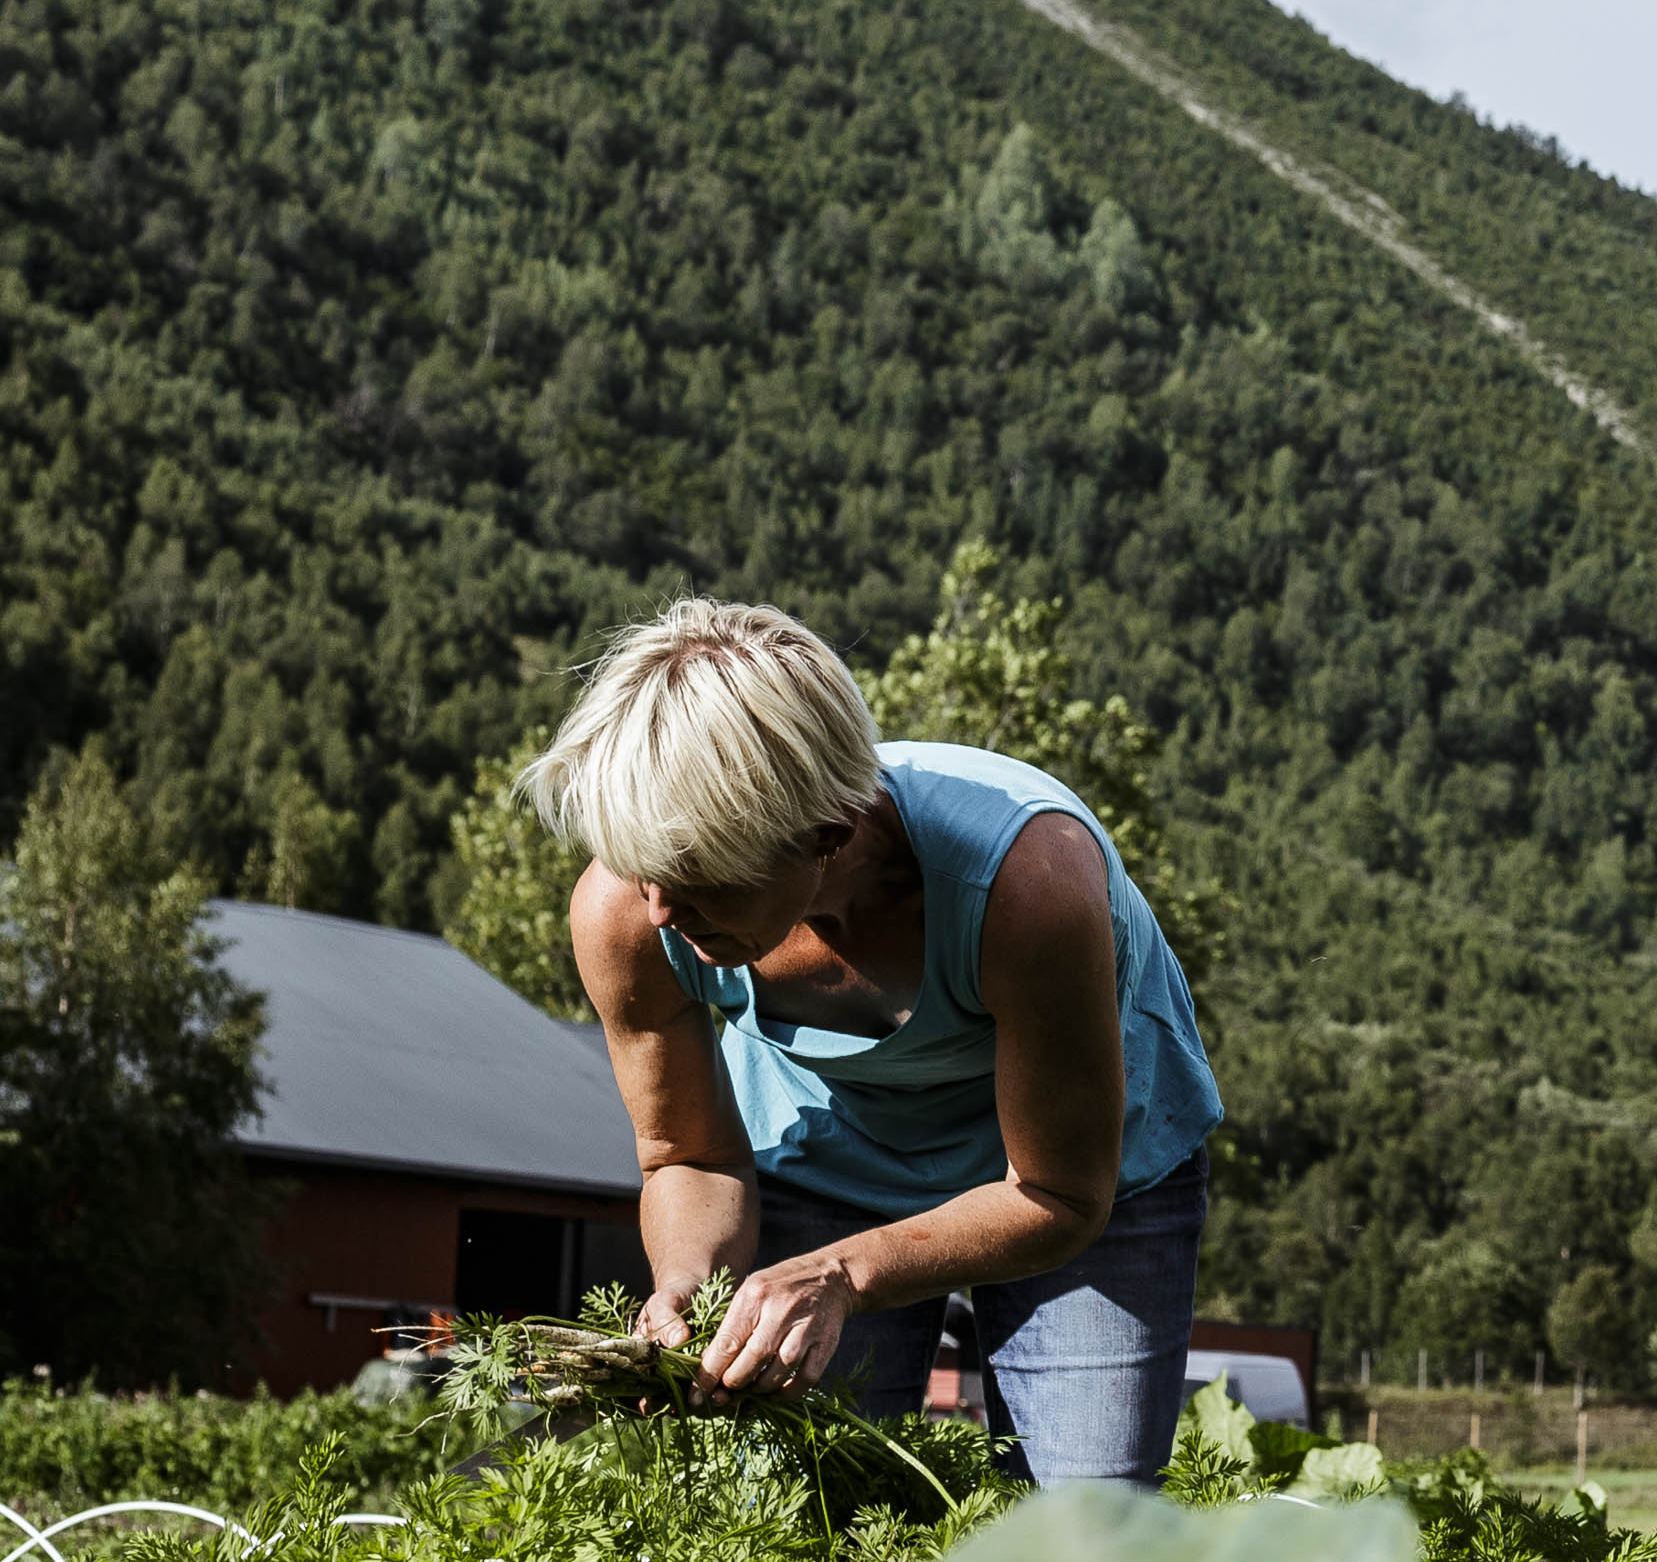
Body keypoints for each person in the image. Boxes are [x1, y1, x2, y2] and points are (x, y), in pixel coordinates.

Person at [518, 597, 1222, 1482]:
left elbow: (1058, 1193)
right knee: (811, 1520)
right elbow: (688, 1154)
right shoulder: (629, 916)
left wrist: (843, 1277)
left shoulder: (1028, 886)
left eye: (699, 875)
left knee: (1088, 1526)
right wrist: (689, 1286)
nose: (662, 909)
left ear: (827, 832)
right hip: (828, 1167)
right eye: (645, 868)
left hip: (1077, 1181)